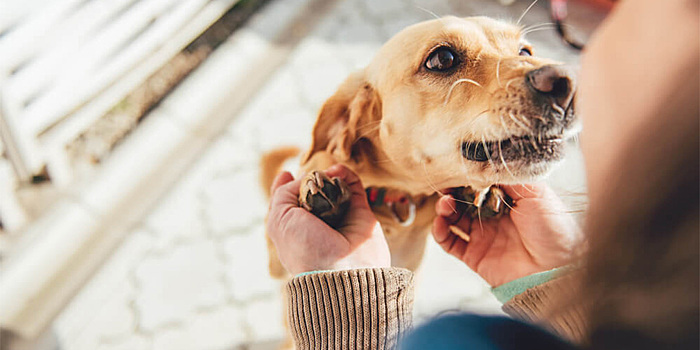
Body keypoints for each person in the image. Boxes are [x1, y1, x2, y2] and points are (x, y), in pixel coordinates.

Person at [265, 0, 699, 349]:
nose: (550, 75)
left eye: (523, 51)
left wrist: (342, 320)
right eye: (446, 60)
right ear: (354, 122)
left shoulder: (461, 338)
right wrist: (552, 280)